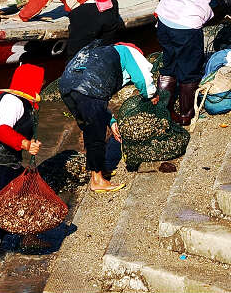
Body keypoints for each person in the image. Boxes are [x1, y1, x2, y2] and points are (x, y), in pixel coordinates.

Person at [58, 42, 157, 192]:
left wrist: (111, 121)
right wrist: (151, 95)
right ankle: (97, 180)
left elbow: (100, 103)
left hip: (67, 86)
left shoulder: (101, 55)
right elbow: (142, 78)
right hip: (88, 88)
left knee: (89, 127)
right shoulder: (129, 52)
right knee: (96, 134)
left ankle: (98, 170)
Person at [0, 63, 45, 267]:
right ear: (30, 83)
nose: (41, 86)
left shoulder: (3, 100)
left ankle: (28, 240)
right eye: (40, 82)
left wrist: (27, 144)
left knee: (25, 197)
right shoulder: (13, 102)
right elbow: (2, 131)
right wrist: (25, 144)